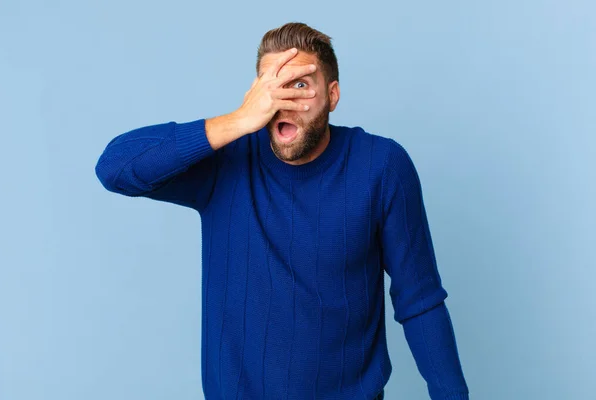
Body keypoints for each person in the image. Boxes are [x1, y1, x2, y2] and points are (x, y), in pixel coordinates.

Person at [95, 22, 470, 400]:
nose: (283, 102)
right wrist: (240, 120)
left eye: (301, 85)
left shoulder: (382, 166)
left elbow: (419, 300)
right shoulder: (226, 161)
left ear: (332, 95)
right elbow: (115, 167)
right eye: (272, 86)